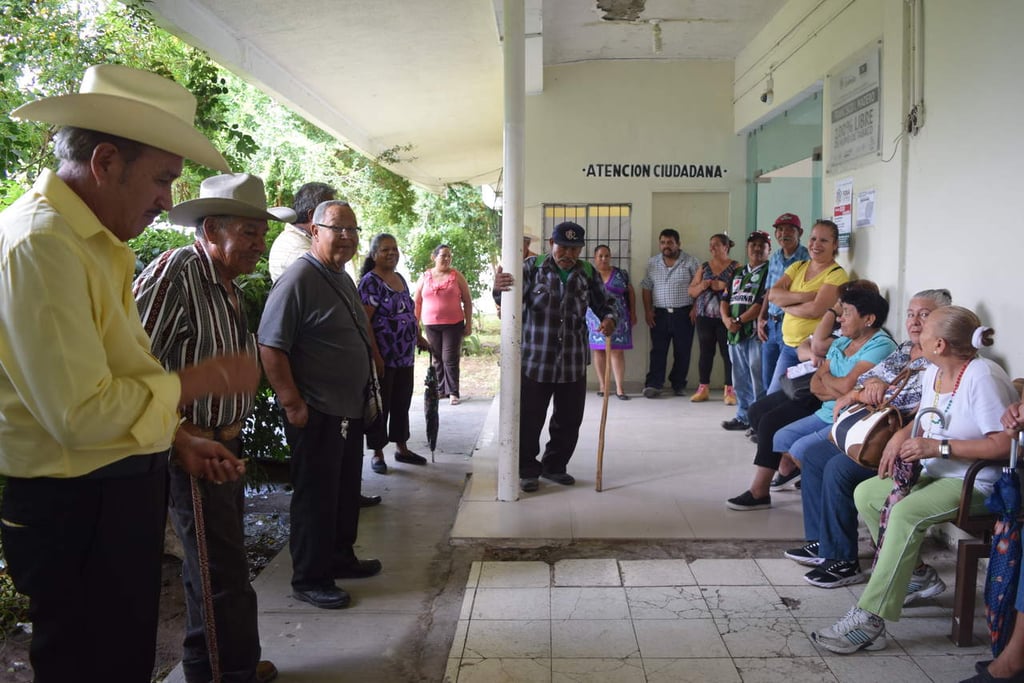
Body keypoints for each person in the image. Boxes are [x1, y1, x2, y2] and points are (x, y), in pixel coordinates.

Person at [0, 64, 254, 682]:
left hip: (112, 491)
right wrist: (195, 384)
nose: (169, 201)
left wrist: (175, 437)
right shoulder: (42, 244)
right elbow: (79, 415)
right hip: (74, 504)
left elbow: (120, 373)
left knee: (123, 656)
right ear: (106, 161)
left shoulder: (97, 240)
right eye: (163, 178)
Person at [134, 173, 292, 683]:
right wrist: (182, 433)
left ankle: (224, 663)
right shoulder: (179, 269)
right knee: (216, 570)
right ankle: (228, 673)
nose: (258, 243)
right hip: (192, 446)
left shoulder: (225, 283)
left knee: (218, 563)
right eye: (249, 231)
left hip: (223, 441)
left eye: (260, 232)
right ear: (212, 229)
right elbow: (134, 359)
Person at [813, 306, 1017, 654]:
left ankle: (870, 619)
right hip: (939, 472)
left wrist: (938, 447)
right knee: (868, 493)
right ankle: (917, 576)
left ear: (939, 344)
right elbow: (923, 416)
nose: (915, 330)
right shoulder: (933, 373)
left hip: (979, 483)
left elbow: (1003, 444)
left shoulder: (982, 377)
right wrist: (901, 437)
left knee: (906, 513)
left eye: (924, 328)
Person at [259, 199, 382, 610]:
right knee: (315, 498)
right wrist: (291, 402)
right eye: (337, 228)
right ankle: (310, 577)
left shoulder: (340, 275)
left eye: (353, 229)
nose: (347, 236)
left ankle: (339, 558)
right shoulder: (299, 278)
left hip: (347, 407)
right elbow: (271, 346)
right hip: (315, 410)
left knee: (345, 492)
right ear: (315, 230)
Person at [784, 289, 951, 588]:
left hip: (904, 440)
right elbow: (862, 382)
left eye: (923, 315)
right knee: (815, 455)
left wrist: (900, 429)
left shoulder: (941, 360)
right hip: (874, 427)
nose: (914, 321)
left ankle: (844, 561)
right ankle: (823, 542)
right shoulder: (903, 350)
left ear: (942, 322)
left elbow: (934, 412)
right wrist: (871, 384)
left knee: (838, 468)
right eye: (910, 314)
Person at [726, 283, 896, 510]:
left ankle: (814, 492)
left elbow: (845, 384)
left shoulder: (880, 344)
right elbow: (816, 384)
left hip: (848, 416)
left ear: (868, 319)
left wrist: (829, 377)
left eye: (846, 313)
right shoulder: (843, 340)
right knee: (778, 435)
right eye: (840, 311)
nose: (840, 319)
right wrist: (832, 382)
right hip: (825, 407)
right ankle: (806, 480)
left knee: (794, 444)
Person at [493, 221, 615, 493]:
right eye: (563, 247)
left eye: (574, 249)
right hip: (537, 360)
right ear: (551, 244)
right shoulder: (531, 268)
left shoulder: (586, 272)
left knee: (569, 420)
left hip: (572, 362)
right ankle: (527, 469)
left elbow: (606, 303)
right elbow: (506, 301)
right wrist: (498, 289)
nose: (568, 254)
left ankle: (555, 466)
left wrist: (608, 318)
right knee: (530, 419)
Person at [360, 233, 431, 474]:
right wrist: (376, 356)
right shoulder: (370, 282)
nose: (391, 253)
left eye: (394, 249)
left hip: (405, 356)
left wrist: (419, 337)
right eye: (385, 250)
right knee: (382, 405)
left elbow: (408, 311)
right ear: (374, 255)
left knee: (402, 402)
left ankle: (402, 447)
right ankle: (378, 453)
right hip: (384, 357)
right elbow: (365, 323)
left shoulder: (399, 278)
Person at [763, 219, 848, 393]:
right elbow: (773, 294)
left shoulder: (836, 275)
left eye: (824, 240)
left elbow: (814, 310)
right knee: (771, 398)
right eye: (813, 239)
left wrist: (786, 305)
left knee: (787, 403)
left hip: (813, 351)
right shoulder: (798, 266)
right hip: (788, 347)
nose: (816, 245)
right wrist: (806, 296)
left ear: (835, 244)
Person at [720, 231, 771, 431]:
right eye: (753, 245)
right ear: (747, 248)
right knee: (739, 378)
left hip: (754, 333)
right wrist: (726, 320)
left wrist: (740, 320)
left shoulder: (770, 271)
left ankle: (759, 421)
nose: (757, 248)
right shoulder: (737, 272)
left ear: (769, 249)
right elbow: (725, 299)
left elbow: (762, 303)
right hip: (734, 333)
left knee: (757, 378)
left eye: (762, 245)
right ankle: (743, 416)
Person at [640, 228, 700, 398]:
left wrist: (696, 307)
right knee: (658, 350)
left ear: (678, 244)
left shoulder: (690, 262)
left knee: (682, 350)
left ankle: (678, 384)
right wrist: (648, 311)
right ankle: (654, 384)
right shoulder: (653, 263)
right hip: (659, 314)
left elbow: (698, 287)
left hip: (684, 313)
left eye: (670, 243)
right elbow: (646, 287)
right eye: (663, 242)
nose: (666, 246)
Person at [415, 243, 474, 405]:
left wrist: (469, 323)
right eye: (443, 255)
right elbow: (417, 302)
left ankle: (453, 392)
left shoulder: (456, 276)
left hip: (453, 323)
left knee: (450, 357)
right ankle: (441, 390)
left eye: (449, 256)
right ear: (434, 257)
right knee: (437, 357)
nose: (447, 259)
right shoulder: (425, 277)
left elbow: (467, 301)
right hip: (431, 324)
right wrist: (416, 325)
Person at [756, 213, 810, 391]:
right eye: (779, 230)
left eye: (789, 229)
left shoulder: (807, 259)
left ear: (799, 232)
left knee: (786, 380)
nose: (783, 233)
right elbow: (769, 291)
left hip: (791, 324)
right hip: (771, 323)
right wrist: (761, 318)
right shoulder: (775, 258)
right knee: (767, 375)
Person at [688, 233, 740, 403]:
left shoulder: (736, 267)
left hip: (727, 318)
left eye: (716, 244)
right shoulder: (704, 267)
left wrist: (724, 286)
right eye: (710, 245)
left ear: (726, 247)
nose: (712, 248)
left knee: (728, 353)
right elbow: (691, 291)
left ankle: (730, 390)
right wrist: (702, 285)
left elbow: (743, 290)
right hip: (704, 316)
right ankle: (703, 388)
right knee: (705, 353)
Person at [586, 244, 636, 400]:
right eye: (600, 256)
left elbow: (630, 292)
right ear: (594, 258)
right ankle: (603, 386)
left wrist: (633, 312)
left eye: (606, 255)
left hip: (619, 319)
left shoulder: (621, 274)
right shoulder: (589, 275)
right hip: (595, 319)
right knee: (599, 351)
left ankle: (620, 388)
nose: (604, 259)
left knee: (617, 351)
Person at [267, 181, 336, 282]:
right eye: (330, 214)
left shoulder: (300, 239)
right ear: (312, 215)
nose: (334, 223)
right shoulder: (296, 249)